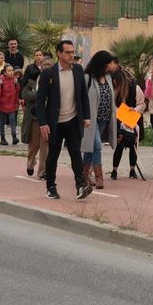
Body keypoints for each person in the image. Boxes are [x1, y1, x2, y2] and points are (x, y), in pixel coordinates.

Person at [35, 40, 92, 200]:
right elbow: (40, 101)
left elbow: (83, 96)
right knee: (53, 154)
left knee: (75, 151)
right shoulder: (48, 74)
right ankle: (51, 187)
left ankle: (80, 185)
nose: (71, 55)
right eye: (67, 52)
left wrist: (86, 116)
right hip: (55, 122)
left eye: (72, 52)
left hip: (74, 119)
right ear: (59, 54)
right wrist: (43, 123)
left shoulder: (79, 70)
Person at [82, 50, 117, 189]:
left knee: (91, 147)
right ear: (101, 64)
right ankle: (99, 177)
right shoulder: (88, 77)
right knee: (96, 144)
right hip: (91, 118)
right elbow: (81, 97)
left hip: (105, 117)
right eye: (108, 63)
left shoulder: (108, 77)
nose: (110, 66)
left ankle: (83, 174)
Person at [21, 50, 47, 177]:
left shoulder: (54, 81)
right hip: (35, 117)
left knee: (45, 146)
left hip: (48, 118)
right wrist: (40, 95)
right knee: (34, 144)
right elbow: (25, 93)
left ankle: (42, 172)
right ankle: (30, 163)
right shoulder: (32, 80)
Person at [0, 64, 21, 146]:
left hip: (12, 105)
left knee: (13, 122)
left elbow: (17, 93)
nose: (11, 72)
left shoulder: (15, 81)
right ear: (4, 73)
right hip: (2, 106)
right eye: (9, 71)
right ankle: (2, 138)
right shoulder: (0, 82)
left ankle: (14, 138)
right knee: (2, 122)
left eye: (12, 70)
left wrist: (17, 102)